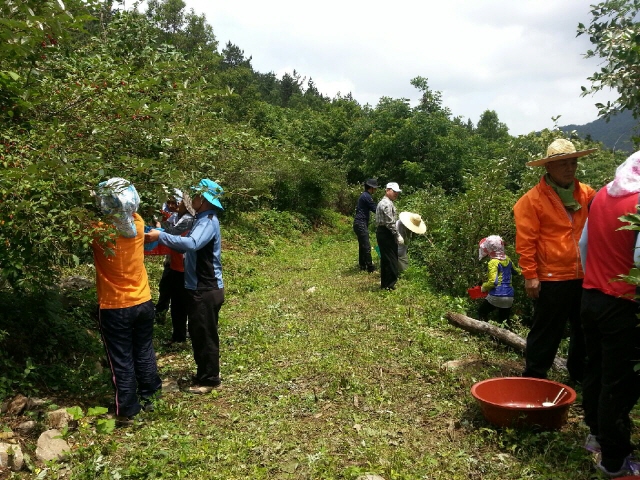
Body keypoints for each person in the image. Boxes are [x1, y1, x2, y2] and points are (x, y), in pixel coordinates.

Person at [513, 138, 597, 382]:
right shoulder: (532, 200)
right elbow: (526, 241)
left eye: (573, 163)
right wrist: (530, 275)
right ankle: (535, 377)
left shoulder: (586, 194)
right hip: (551, 277)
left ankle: (579, 376)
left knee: (583, 329)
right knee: (547, 330)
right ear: (548, 167)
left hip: (584, 274)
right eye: (563, 164)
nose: (570, 168)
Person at [579, 151, 640, 477]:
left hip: (591, 297)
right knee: (619, 384)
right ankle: (614, 461)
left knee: (596, 370)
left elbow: (583, 245)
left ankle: (595, 436)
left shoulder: (603, 194)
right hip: (622, 304)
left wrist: (595, 279)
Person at [92, 177, 162, 425]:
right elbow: (127, 211)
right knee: (143, 350)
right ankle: (152, 397)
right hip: (143, 301)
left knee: (121, 358)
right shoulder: (138, 223)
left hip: (115, 306)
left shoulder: (99, 231)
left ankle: (128, 410)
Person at [145, 179, 225, 394]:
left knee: (205, 334)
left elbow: (191, 244)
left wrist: (160, 236)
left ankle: (209, 380)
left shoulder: (208, 220)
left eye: (195, 196)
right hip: (198, 285)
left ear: (203, 199)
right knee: (198, 331)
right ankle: (204, 373)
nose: (191, 200)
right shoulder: (200, 219)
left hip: (205, 287)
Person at [161, 193, 196, 346]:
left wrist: (160, 226)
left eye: (177, 202)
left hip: (184, 267)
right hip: (176, 264)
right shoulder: (175, 216)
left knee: (182, 302)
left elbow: (171, 233)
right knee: (177, 303)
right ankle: (178, 336)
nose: (174, 205)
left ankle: (185, 335)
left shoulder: (187, 219)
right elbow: (167, 227)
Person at [154, 189, 182, 325]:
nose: (171, 205)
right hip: (171, 259)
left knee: (181, 294)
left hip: (183, 261)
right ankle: (160, 314)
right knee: (165, 286)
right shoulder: (168, 214)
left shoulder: (185, 218)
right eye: (169, 202)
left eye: (174, 202)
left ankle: (184, 324)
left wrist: (160, 230)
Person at [477, 235, 520, 323]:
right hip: (509, 296)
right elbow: (516, 272)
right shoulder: (507, 259)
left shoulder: (493, 262)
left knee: (481, 312)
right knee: (504, 320)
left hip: (497, 294)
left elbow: (493, 282)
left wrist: (483, 287)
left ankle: (485, 333)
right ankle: (504, 336)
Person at [375, 182, 403, 290]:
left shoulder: (386, 202)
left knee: (386, 259)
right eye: (394, 191)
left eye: (397, 192)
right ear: (387, 190)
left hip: (383, 232)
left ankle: (385, 284)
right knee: (391, 259)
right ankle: (389, 285)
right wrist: (397, 235)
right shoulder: (386, 204)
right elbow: (390, 222)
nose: (396, 194)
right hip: (386, 233)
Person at [353, 179, 378, 272]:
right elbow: (375, 209)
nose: (375, 190)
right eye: (375, 188)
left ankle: (362, 265)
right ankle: (370, 267)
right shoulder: (367, 197)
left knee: (362, 245)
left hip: (358, 223)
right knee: (366, 246)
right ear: (371, 188)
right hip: (361, 223)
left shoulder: (364, 195)